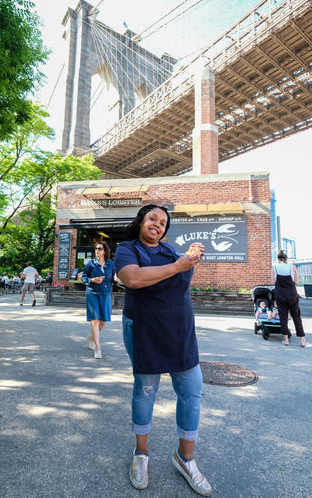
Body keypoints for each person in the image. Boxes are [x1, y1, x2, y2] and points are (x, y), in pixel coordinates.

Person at [114, 204, 212, 496]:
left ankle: (185, 458)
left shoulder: (170, 251)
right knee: (145, 390)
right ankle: (141, 454)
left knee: (192, 392)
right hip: (145, 328)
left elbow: (177, 279)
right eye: (152, 219)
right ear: (141, 222)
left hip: (180, 329)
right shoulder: (127, 249)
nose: (157, 224)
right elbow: (132, 278)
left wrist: (190, 258)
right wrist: (178, 266)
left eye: (162, 222)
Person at [81, 241, 115, 359]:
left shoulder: (111, 264)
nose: (97, 250)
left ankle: (91, 336)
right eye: (96, 248)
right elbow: (84, 277)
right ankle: (97, 347)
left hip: (105, 294)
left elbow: (113, 278)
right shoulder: (90, 263)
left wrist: (118, 279)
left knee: (104, 321)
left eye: (100, 248)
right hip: (92, 293)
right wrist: (92, 280)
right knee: (95, 320)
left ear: (105, 251)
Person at [273, 249, 311, 347]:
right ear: (286, 258)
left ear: (278, 258)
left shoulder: (274, 267)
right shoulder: (292, 267)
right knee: (296, 317)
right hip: (291, 294)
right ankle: (303, 341)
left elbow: (273, 282)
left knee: (283, 317)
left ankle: (286, 340)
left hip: (280, 295)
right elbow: (297, 282)